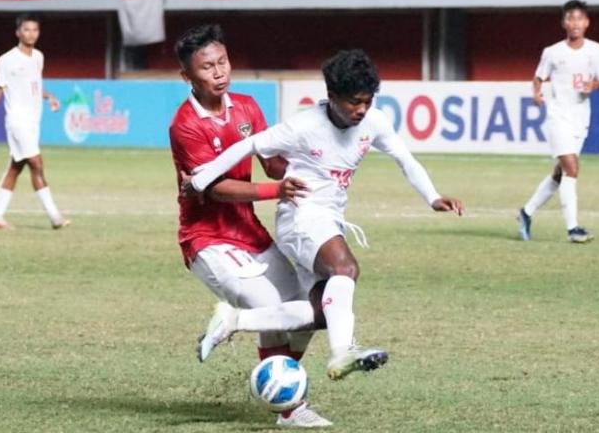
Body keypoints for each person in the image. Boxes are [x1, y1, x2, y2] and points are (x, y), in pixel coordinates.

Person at [186, 49, 464, 382]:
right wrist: (202, 179)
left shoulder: (373, 122)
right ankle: (342, 353)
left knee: (318, 313)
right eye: (353, 102)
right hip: (300, 217)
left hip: (328, 221)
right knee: (346, 268)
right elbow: (248, 146)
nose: (361, 110)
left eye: (367, 101)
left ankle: (234, 321)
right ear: (331, 96)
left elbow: (405, 159)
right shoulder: (304, 126)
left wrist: (432, 196)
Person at [168, 24, 331, 428]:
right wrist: (276, 189)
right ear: (188, 77)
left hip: (249, 232)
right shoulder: (185, 125)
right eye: (207, 67)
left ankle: (275, 381)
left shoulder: (246, 107)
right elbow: (217, 187)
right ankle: (291, 410)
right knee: (267, 307)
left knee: (307, 315)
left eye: (222, 62)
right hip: (207, 240)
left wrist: (308, 165)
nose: (219, 71)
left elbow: (272, 162)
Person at [517, 0, 599, 243]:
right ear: (564, 23)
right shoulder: (553, 52)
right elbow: (538, 76)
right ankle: (573, 228)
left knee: (560, 174)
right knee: (572, 168)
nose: (575, 23)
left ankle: (525, 213)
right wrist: (536, 93)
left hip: (581, 118)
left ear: (587, 22)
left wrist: (594, 85)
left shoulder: (596, 50)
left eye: (579, 18)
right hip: (558, 117)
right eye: (570, 18)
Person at [0, 13, 69, 230]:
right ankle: (55, 217)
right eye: (26, 30)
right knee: (36, 163)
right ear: (18, 32)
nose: (31, 34)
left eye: (35, 30)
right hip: (17, 121)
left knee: (16, 167)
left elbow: (33, 87)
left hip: (33, 122)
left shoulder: (38, 57)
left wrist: (50, 97)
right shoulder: (6, 60)